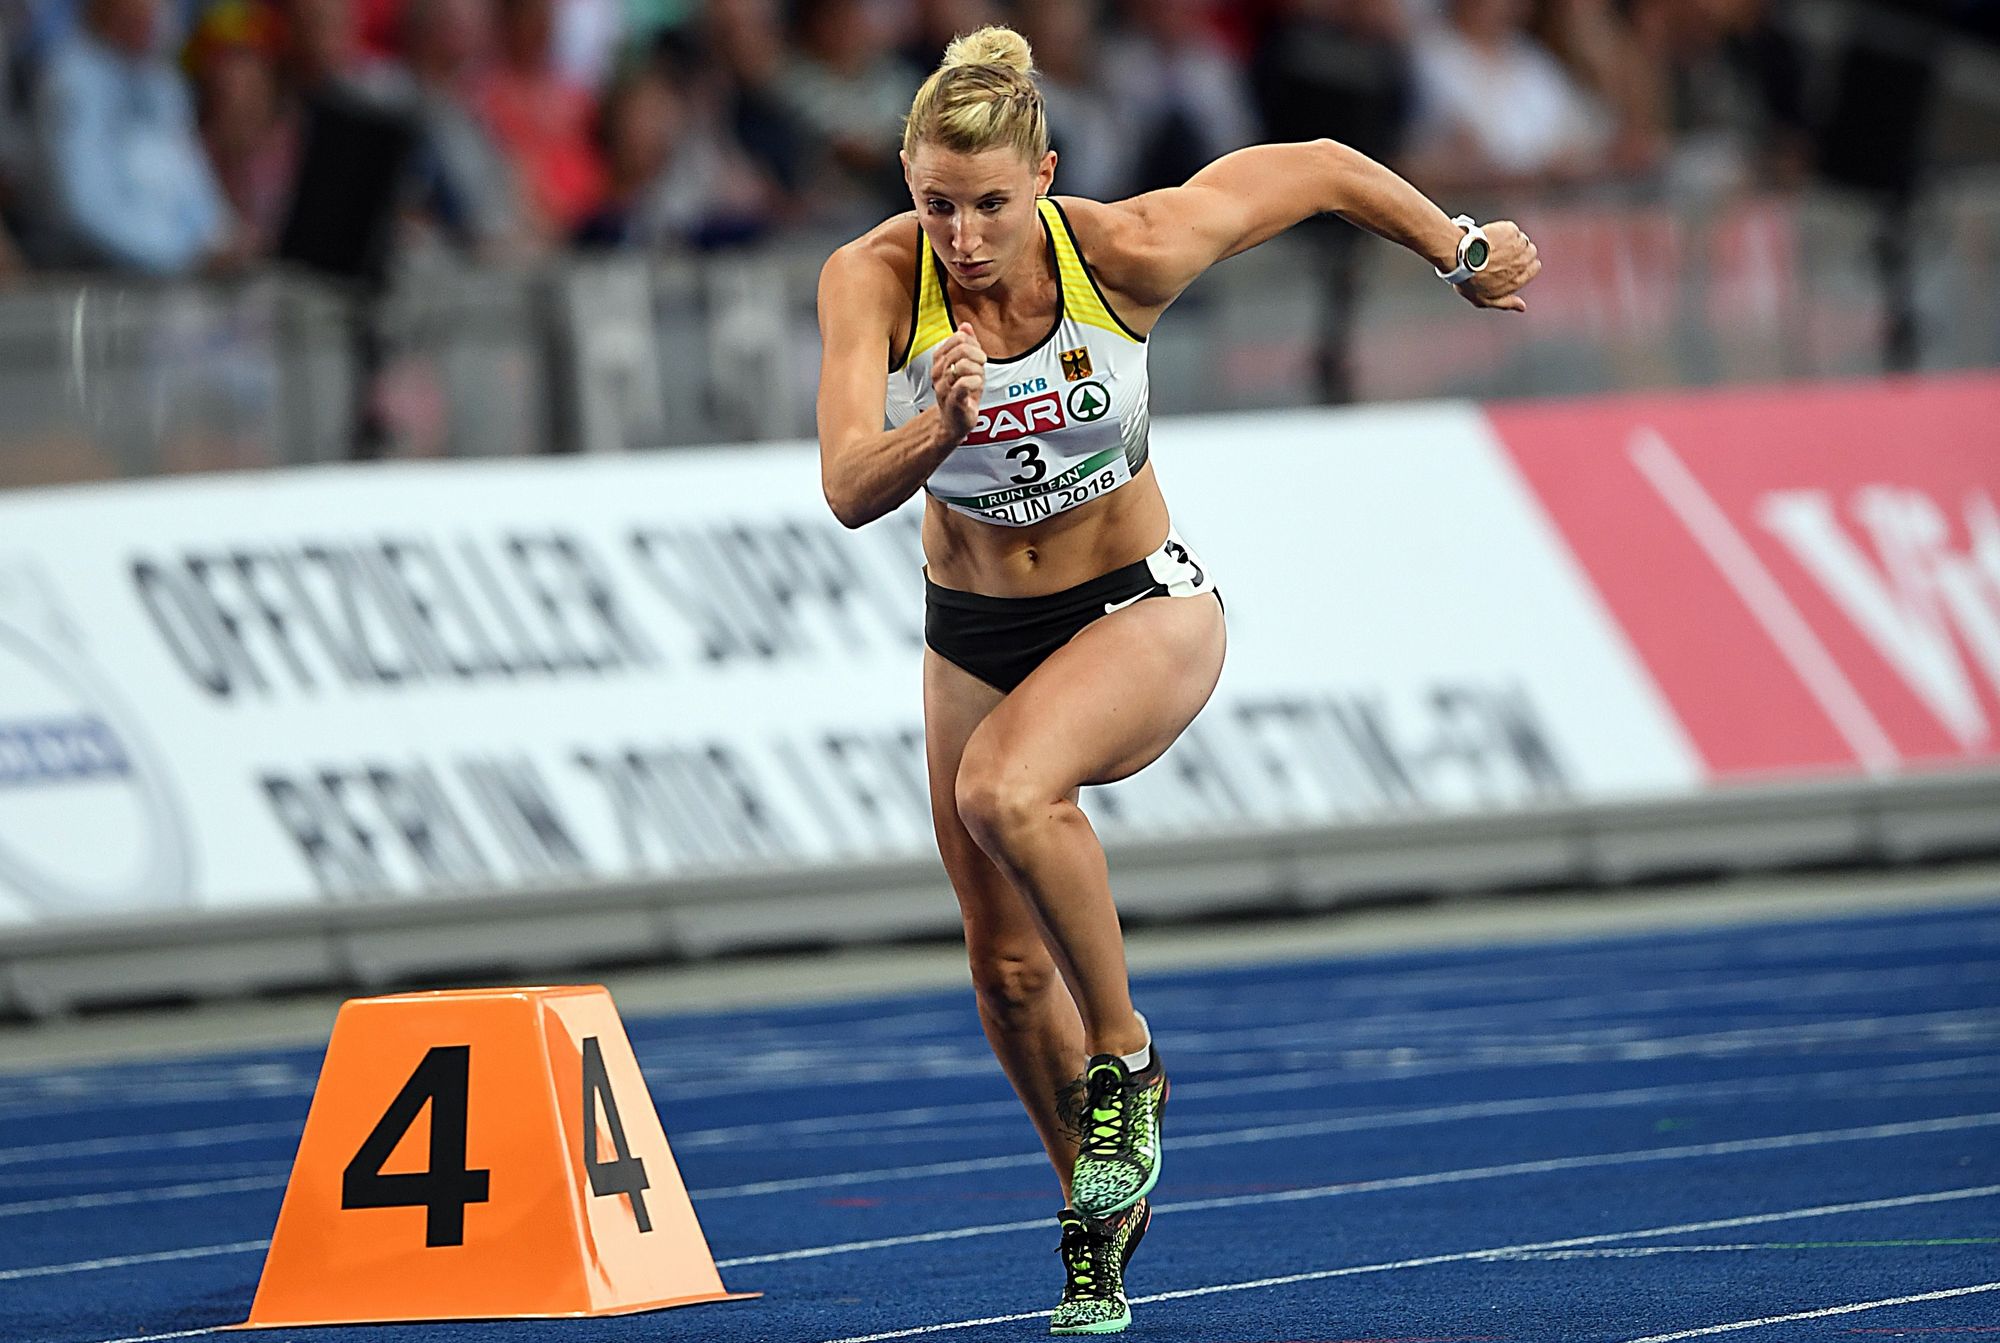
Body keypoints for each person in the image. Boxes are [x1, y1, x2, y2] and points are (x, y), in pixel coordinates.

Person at [812, 24, 1538, 1336]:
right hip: (971, 630)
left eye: (989, 205)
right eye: (936, 205)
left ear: (1044, 177)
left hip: (1136, 606)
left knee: (1007, 791)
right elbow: (847, 487)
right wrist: (937, 427)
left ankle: (1128, 1061)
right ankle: (1095, 1223)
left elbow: (1316, 165)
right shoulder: (873, 281)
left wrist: (1460, 250)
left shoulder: (1124, 251)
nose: (962, 239)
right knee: (1005, 973)